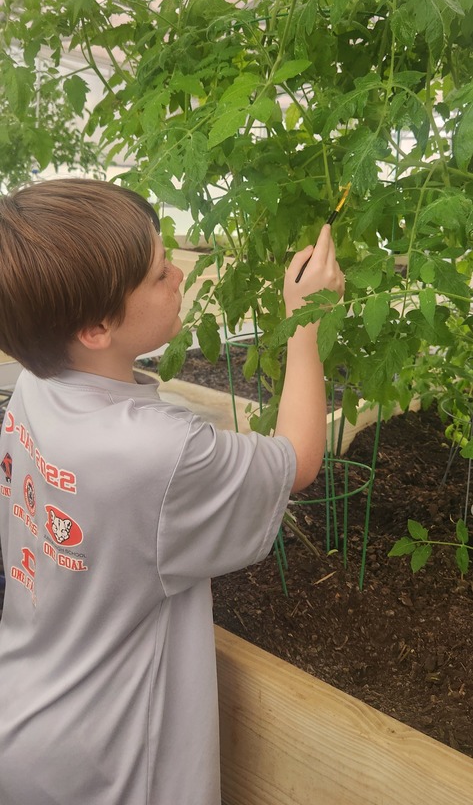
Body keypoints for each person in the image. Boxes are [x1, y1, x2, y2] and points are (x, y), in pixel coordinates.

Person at [0, 178, 344, 805]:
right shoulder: (159, 452)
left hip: (26, 709)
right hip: (113, 761)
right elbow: (297, 461)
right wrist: (305, 322)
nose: (180, 277)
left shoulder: (35, 386)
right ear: (97, 327)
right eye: (160, 275)